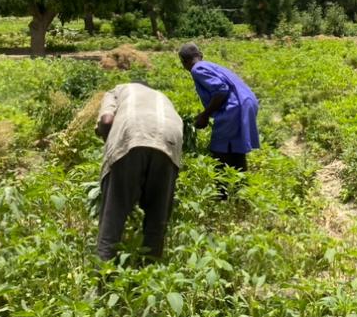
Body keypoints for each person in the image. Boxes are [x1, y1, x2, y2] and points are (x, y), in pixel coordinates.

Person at [94, 82, 183, 261]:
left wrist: (113, 151)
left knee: (114, 215)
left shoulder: (117, 90)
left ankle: (102, 278)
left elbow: (106, 121)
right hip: (169, 139)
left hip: (132, 135)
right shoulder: (161, 96)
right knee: (157, 218)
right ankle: (150, 272)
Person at [178, 42, 260, 172]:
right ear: (201, 55)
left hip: (234, 107)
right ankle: (241, 185)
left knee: (219, 149)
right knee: (235, 149)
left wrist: (205, 115)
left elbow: (221, 90)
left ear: (184, 62)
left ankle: (222, 189)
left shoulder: (197, 69)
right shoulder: (210, 65)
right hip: (246, 102)